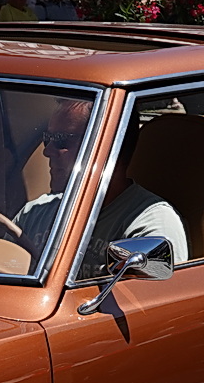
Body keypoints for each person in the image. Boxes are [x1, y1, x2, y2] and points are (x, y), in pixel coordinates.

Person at [12, 101, 187, 264]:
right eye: (47, 138)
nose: (47, 151)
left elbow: (148, 295)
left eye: (60, 139)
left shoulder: (150, 225)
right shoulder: (33, 214)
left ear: (109, 149)